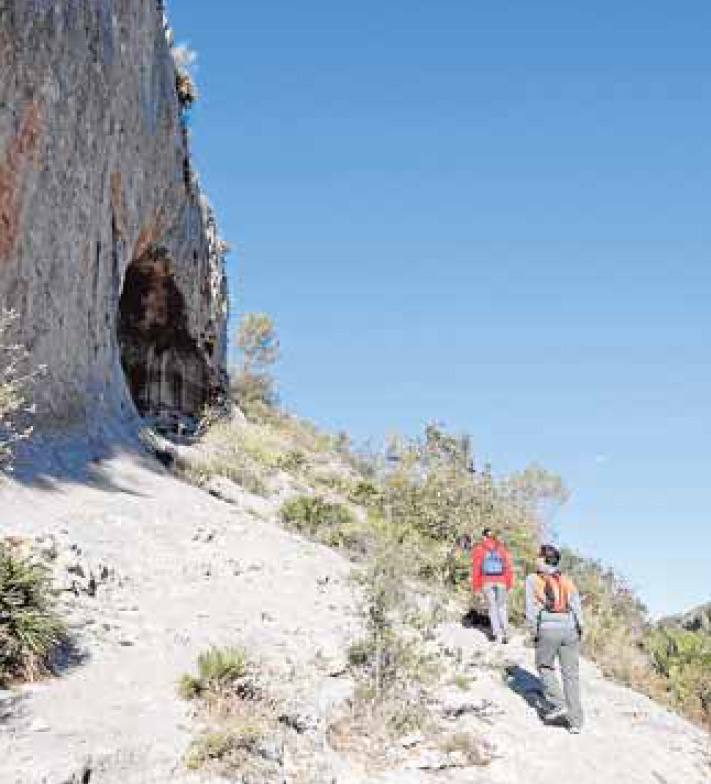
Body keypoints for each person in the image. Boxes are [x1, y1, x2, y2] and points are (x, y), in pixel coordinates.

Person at [525, 544, 584, 734]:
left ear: (543, 560)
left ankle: (558, 703)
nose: (535, 559)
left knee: (544, 666)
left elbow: (531, 610)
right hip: (570, 630)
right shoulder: (566, 579)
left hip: (548, 629)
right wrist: (579, 629)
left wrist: (535, 632)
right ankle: (576, 722)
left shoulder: (533, 579)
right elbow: (576, 606)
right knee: (571, 676)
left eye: (538, 557)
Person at [471, 528, 514, 643]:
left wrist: (476, 587)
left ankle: (498, 635)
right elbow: (508, 567)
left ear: (484, 537)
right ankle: (507, 633)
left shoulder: (479, 548)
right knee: (502, 607)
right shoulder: (501, 548)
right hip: (502, 581)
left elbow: (476, 569)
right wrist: (509, 584)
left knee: (492, 607)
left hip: (487, 581)